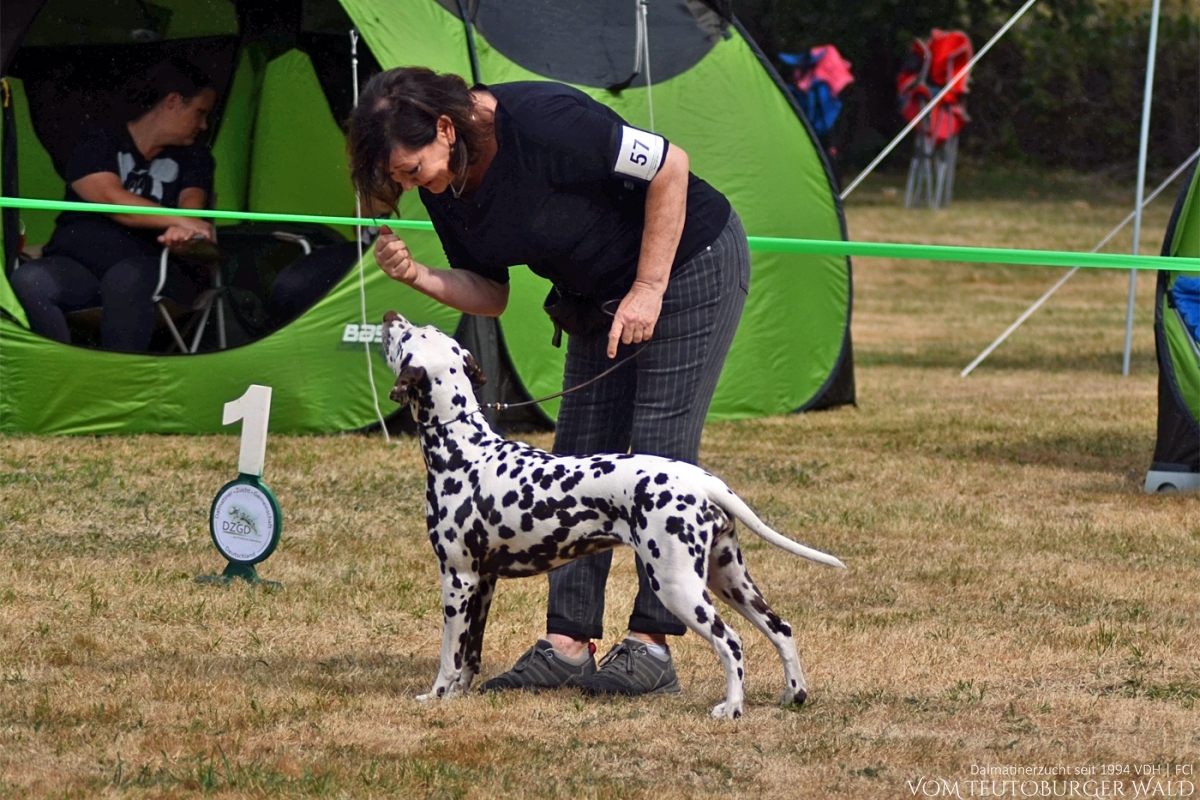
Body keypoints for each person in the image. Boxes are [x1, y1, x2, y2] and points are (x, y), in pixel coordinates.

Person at [348, 67, 750, 697]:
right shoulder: (445, 182)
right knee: (576, 460)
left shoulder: (547, 122)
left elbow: (671, 166)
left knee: (657, 452)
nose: (410, 184)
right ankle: (567, 644)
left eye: (411, 169)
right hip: (594, 293)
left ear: (446, 129)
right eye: (399, 178)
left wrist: (648, 288)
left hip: (688, 261)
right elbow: (492, 293)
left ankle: (650, 645)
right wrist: (420, 277)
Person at [10, 58, 216, 352]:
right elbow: (110, 198)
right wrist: (180, 221)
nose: (203, 125)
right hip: (79, 269)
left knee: (126, 279)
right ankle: (62, 371)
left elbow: (192, 211)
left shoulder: (196, 158)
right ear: (173, 101)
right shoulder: (97, 140)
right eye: (200, 113)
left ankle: (119, 386)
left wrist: (185, 227)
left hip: (153, 274)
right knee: (28, 280)